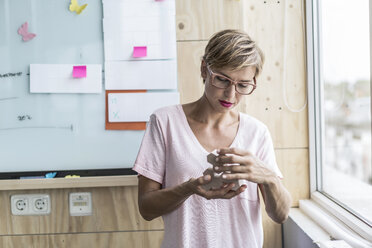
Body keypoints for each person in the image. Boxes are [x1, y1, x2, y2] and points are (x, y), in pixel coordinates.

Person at [133, 29, 292, 248]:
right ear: (204, 69)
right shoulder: (165, 122)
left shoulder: (257, 132)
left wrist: (269, 178)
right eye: (222, 80)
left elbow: (280, 215)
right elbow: (146, 208)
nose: (230, 95)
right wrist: (189, 188)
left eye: (243, 85)